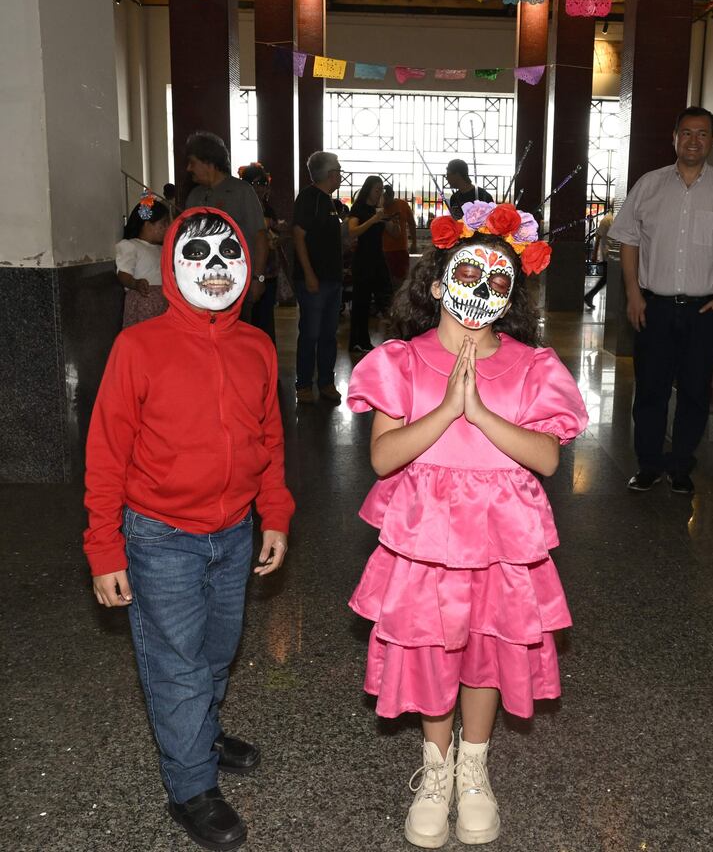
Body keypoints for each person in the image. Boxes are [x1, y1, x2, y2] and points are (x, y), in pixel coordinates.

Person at [346, 200, 588, 848]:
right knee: (432, 650)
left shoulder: (533, 367)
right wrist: (448, 407)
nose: (481, 290)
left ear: (511, 298)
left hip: (500, 547)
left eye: (498, 282)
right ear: (435, 282)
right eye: (468, 275)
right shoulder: (400, 360)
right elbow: (382, 457)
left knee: (484, 652)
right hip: (426, 547)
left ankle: (474, 767)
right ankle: (436, 766)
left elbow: (546, 456)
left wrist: (482, 414)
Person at [84, 208, 294, 852]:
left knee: (216, 649)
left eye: (228, 255)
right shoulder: (138, 348)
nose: (214, 268)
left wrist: (275, 511)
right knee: (176, 664)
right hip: (158, 537)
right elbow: (106, 451)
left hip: (233, 534)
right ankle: (191, 784)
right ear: (174, 263)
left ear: (248, 267)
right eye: (198, 254)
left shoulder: (257, 346)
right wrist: (104, 546)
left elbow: (269, 438)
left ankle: (199, 731)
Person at [611, 106, 713, 495]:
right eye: (687, 133)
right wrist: (632, 293)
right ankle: (648, 465)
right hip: (654, 306)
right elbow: (628, 239)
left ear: (712, 141)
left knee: (696, 391)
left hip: (705, 310)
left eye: (703, 134)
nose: (694, 140)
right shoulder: (649, 185)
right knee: (650, 389)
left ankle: (681, 466)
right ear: (674, 137)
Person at [184, 131, 269, 323]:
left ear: (208, 162)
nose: (189, 168)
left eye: (193, 162)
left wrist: (258, 279)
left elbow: (260, 237)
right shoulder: (194, 196)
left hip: (235, 284)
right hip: (201, 284)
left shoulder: (241, 191)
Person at [292, 151, 345, 404]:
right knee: (310, 333)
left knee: (328, 334)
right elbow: (298, 236)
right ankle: (303, 384)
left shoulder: (328, 201)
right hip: (315, 280)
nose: (341, 175)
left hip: (333, 279)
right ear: (330, 174)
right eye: (338, 170)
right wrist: (309, 274)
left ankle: (326, 382)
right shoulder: (309, 198)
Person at [347, 176, 393, 354]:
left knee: (386, 296)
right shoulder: (359, 208)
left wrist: (388, 221)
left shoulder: (378, 210)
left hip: (378, 258)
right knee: (361, 302)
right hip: (363, 260)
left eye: (381, 190)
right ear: (368, 190)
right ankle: (358, 341)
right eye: (377, 189)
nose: (380, 193)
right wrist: (373, 220)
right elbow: (352, 231)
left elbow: (394, 232)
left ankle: (392, 338)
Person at [239, 162, 280, 343]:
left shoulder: (269, 209)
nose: (259, 188)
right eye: (254, 184)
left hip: (267, 273)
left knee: (265, 320)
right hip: (246, 273)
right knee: (246, 321)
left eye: (262, 184)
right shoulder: (240, 208)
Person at [116, 192, 169, 327]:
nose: (167, 228)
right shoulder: (131, 246)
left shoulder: (162, 249)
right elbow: (123, 274)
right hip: (143, 306)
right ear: (147, 224)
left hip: (163, 306)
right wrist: (135, 283)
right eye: (163, 224)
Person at [382, 184, 418, 284]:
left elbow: (411, 224)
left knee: (400, 280)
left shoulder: (402, 205)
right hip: (383, 250)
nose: (385, 202)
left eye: (386, 199)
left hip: (400, 249)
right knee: (386, 281)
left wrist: (414, 243)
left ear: (392, 195)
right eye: (382, 199)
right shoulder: (378, 207)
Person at [583, 209, 613, 310]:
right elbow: (598, 236)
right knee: (606, 278)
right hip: (608, 254)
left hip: (611, 254)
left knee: (606, 278)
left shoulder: (611, 219)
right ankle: (589, 296)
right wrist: (594, 253)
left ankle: (589, 296)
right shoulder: (607, 219)